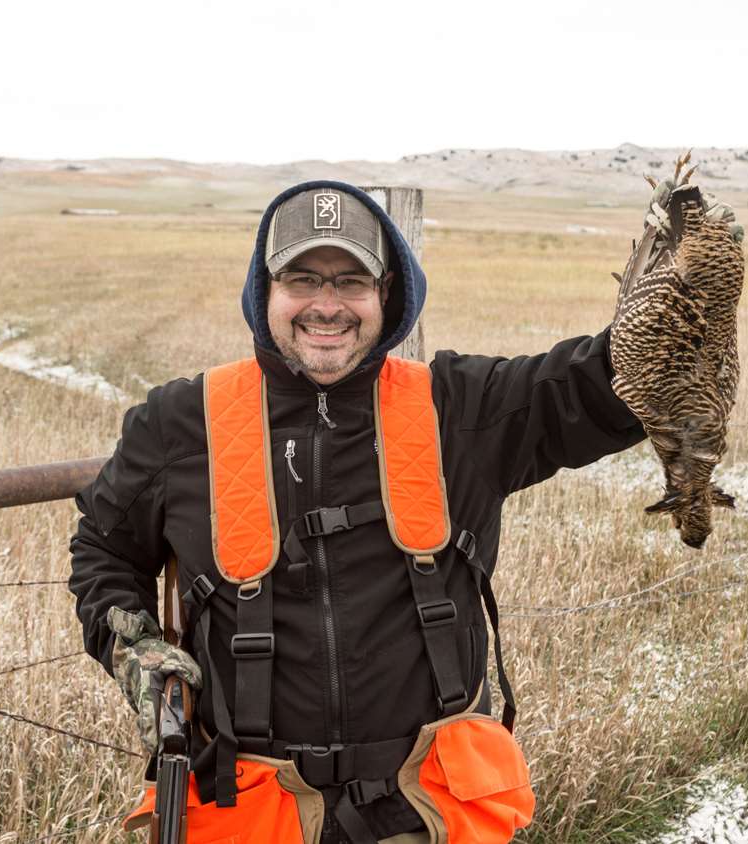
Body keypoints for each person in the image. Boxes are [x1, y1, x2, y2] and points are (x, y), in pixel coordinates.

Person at [68, 180, 649, 843]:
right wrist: (136, 646)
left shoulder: (458, 409)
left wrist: (674, 308)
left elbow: (606, 386)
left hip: (424, 812)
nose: (326, 305)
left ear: (385, 295)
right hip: (255, 810)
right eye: (302, 278)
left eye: (351, 281)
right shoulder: (181, 422)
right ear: (265, 292)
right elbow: (103, 551)